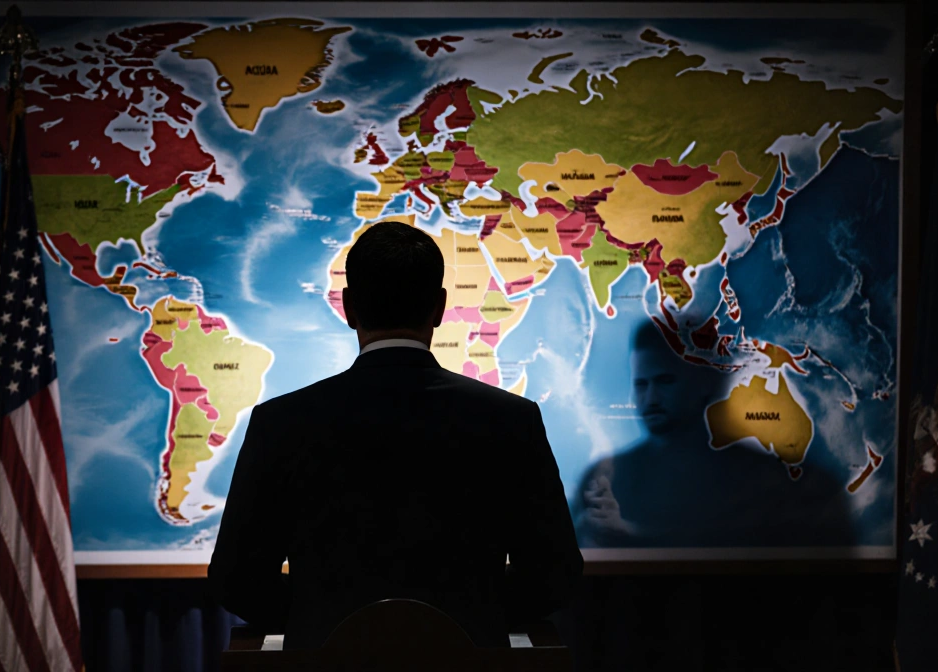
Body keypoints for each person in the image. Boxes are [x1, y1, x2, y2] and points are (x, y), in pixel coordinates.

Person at [209, 221, 583, 649]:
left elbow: (235, 582)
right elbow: (555, 577)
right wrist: (469, 616)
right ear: (440, 308)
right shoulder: (512, 419)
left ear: (348, 307)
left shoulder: (280, 422)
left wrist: (324, 616)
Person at [575, 320, 854, 548]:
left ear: (705, 382)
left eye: (665, 381)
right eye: (641, 384)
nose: (651, 398)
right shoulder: (605, 482)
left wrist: (630, 541)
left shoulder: (777, 486)